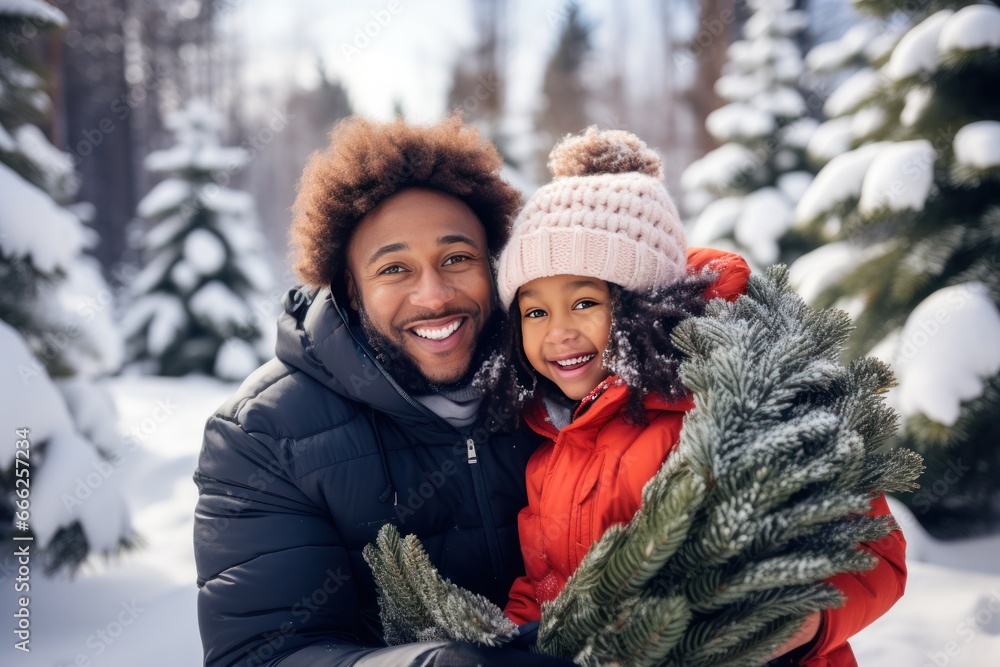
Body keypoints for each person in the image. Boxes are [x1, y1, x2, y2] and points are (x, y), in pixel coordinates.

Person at [488, 127, 907, 667]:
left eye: (585, 302)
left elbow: (873, 551)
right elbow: (547, 582)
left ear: (643, 306)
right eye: (535, 312)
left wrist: (799, 625)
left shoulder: (728, 405)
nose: (558, 332)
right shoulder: (551, 443)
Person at [192, 116, 573, 667]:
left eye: (457, 258)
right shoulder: (263, 435)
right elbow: (261, 655)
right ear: (349, 286)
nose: (434, 295)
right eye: (394, 268)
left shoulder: (561, 373)